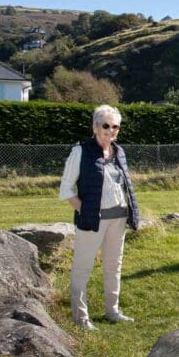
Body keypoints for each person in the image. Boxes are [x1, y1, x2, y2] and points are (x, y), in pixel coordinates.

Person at [59, 104, 140, 331]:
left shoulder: (119, 152)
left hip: (118, 219)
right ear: (95, 127)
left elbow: (124, 186)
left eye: (115, 126)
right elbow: (66, 190)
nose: (111, 130)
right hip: (92, 221)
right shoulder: (81, 151)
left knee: (114, 266)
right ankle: (80, 318)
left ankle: (112, 312)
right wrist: (85, 210)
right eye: (106, 125)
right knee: (82, 268)